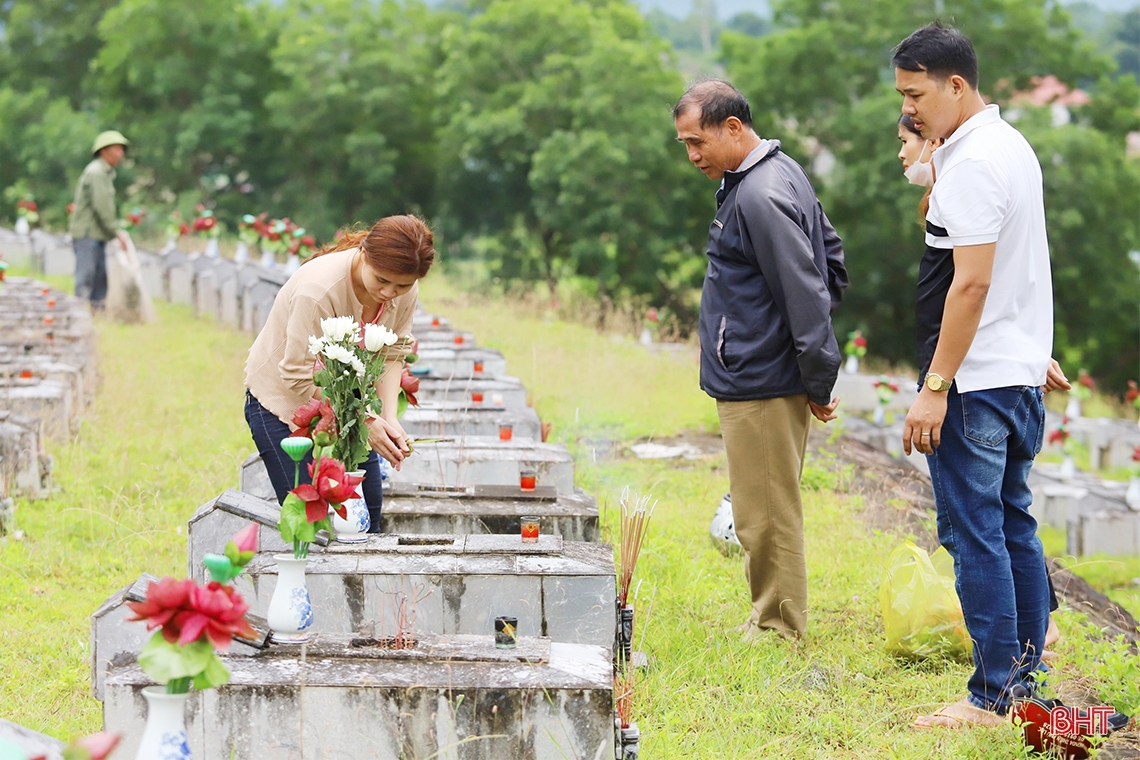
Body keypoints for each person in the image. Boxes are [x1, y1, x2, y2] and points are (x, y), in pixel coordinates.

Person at [892, 23, 1058, 728]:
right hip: (1013, 371)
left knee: (975, 533)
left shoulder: (974, 163)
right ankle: (1027, 681)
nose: (910, 111)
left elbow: (972, 285)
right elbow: (1021, 265)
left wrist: (935, 387)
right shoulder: (1007, 144)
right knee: (1012, 525)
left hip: (974, 383)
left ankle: (994, 696)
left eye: (918, 94)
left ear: (956, 85)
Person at [673, 79, 846, 641]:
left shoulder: (760, 193)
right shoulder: (772, 173)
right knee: (760, 506)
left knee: (765, 513)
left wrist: (815, 378)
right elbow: (831, 261)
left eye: (698, 142)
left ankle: (777, 628)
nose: (693, 155)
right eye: (685, 146)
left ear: (732, 127)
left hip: (764, 380)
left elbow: (807, 290)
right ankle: (770, 616)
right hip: (758, 370)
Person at [244, 215, 434, 531]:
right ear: (363, 253)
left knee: (367, 520)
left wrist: (387, 416)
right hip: (285, 406)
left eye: (402, 285)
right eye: (382, 280)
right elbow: (297, 375)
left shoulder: (403, 290)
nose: (390, 293)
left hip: (350, 409)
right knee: (311, 526)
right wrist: (365, 421)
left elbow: (393, 352)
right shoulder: (318, 290)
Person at [69, 131, 131, 309]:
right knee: (86, 276)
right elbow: (102, 206)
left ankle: (98, 315)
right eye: (117, 149)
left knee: (100, 278)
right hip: (88, 233)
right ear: (104, 151)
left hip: (97, 233)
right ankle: (78, 313)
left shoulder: (106, 172)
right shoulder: (96, 172)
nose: (121, 154)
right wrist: (116, 231)